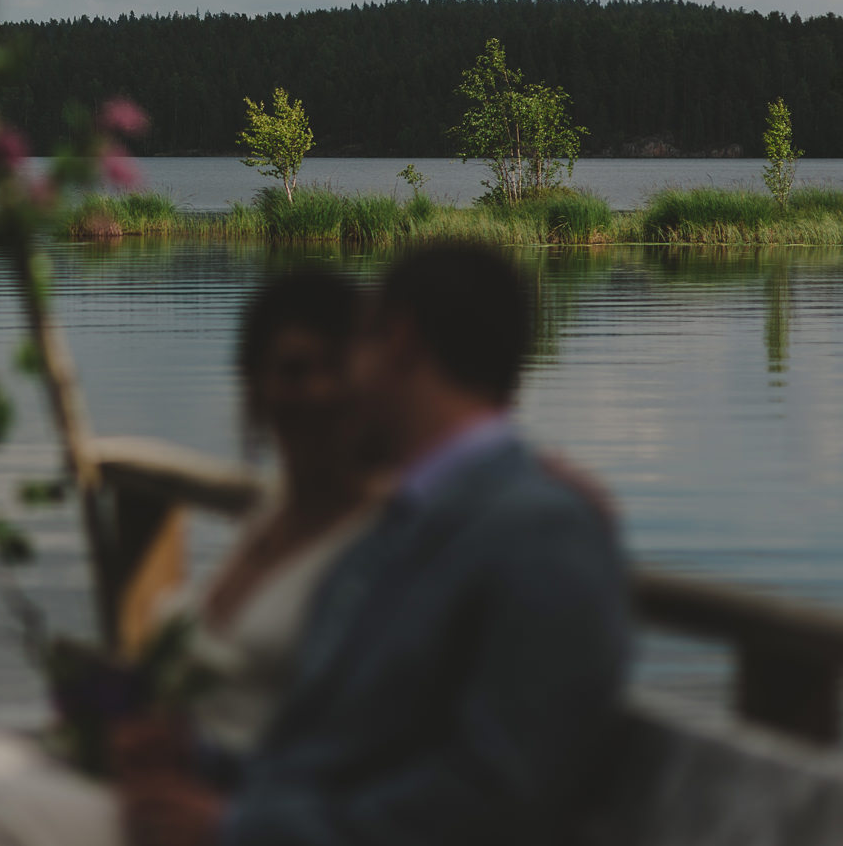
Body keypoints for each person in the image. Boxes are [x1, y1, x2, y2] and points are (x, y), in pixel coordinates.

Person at [0, 269, 390, 846]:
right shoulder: (271, 518)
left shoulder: (380, 545)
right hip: (152, 777)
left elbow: (370, 746)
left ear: (369, 382)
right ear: (256, 386)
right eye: (293, 371)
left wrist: (229, 807)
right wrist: (137, 729)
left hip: (225, 811)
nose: (317, 391)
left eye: (335, 369)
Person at [123, 244, 631, 846]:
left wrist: (236, 828)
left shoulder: (540, 534)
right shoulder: (405, 524)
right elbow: (335, 744)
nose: (341, 386)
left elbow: (498, 794)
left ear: (400, 340)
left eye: (357, 346)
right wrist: (200, 759)